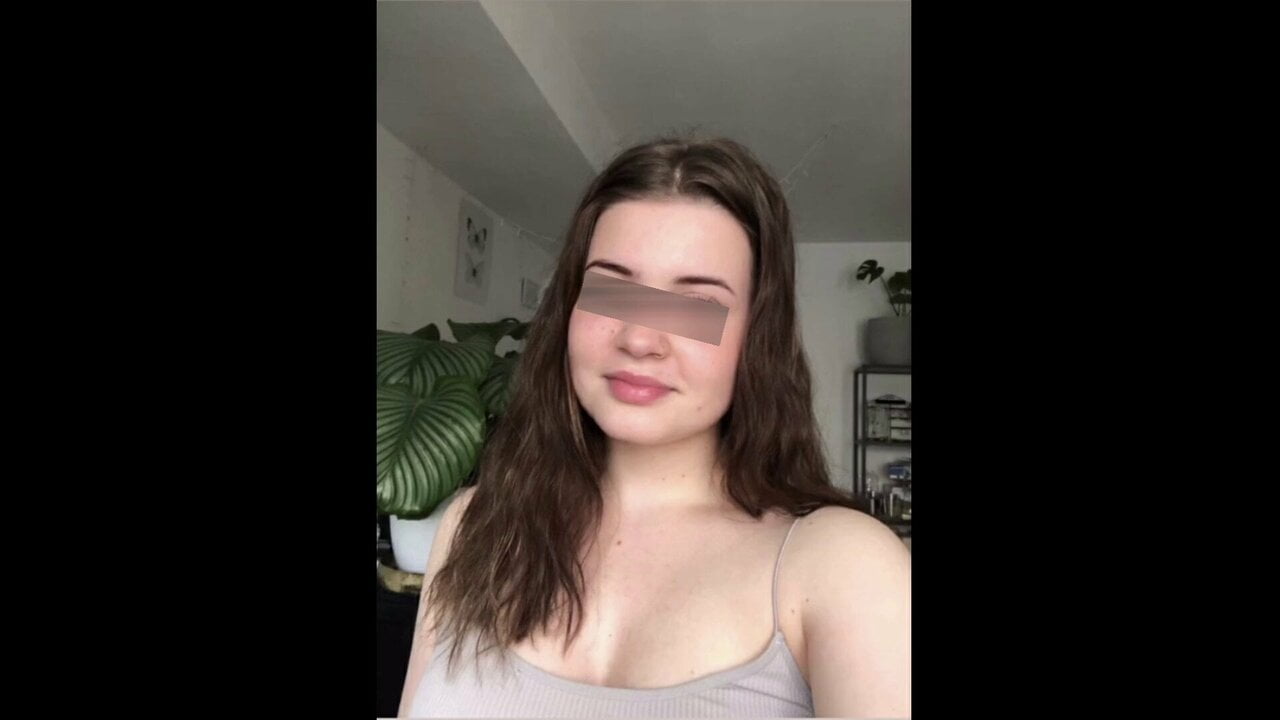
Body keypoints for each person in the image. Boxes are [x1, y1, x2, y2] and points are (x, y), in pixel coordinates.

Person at [398, 135, 910, 718]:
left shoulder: (843, 565)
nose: (640, 338)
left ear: (757, 339)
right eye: (612, 291)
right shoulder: (472, 526)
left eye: (696, 305)